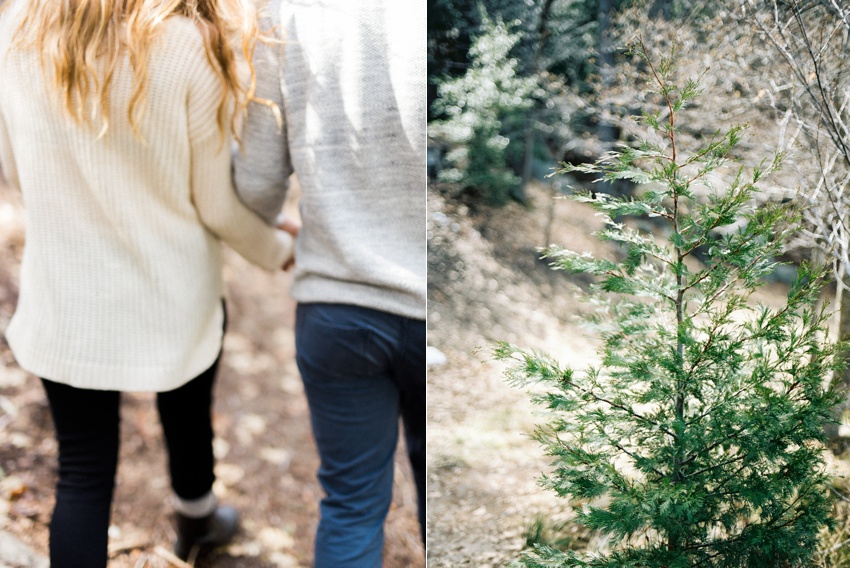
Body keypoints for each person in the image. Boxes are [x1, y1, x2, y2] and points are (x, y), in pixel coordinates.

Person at [0, 0, 294, 565]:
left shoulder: (19, 25)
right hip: (174, 292)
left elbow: (17, 172)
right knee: (186, 409)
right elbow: (216, 204)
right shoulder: (188, 44)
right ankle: (197, 517)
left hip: (68, 297)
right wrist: (278, 249)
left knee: (83, 472)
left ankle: (200, 518)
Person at [233, 0, 426, 565]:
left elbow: (256, 183)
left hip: (337, 307)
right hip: (432, 311)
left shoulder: (286, 15)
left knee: (349, 507)